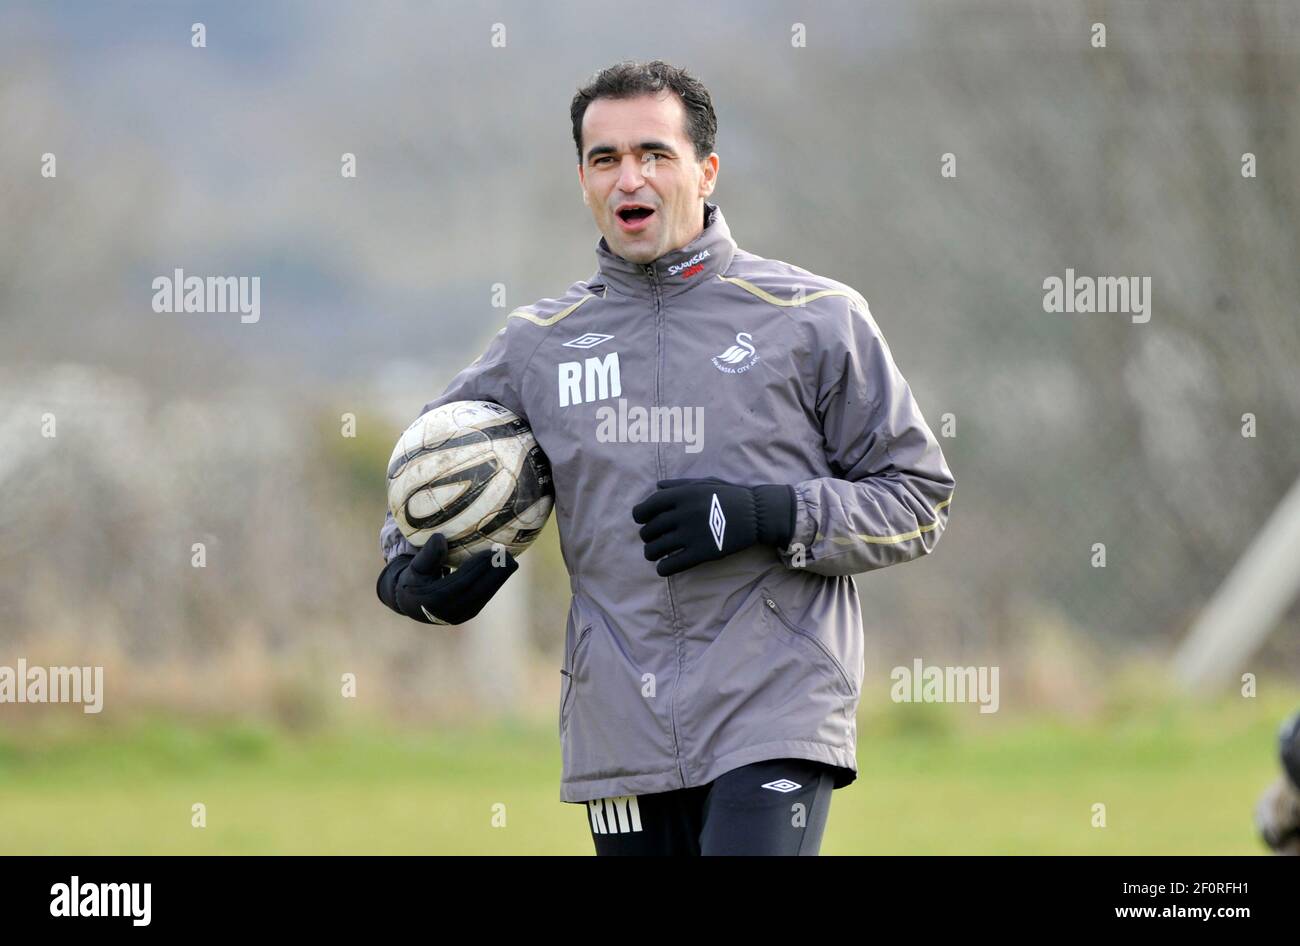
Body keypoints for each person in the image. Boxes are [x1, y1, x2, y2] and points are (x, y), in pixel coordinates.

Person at [376, 59, 955, 855]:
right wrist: (409, 576)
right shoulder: (535, 345)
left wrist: (767, 512)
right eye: (605, 158)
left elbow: (916, 499)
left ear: (705, 170)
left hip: (775, 710)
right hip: (619, 725)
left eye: (655, 153)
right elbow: (428, 475)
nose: (629, 177)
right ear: (582, 177)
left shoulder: (815, 318)